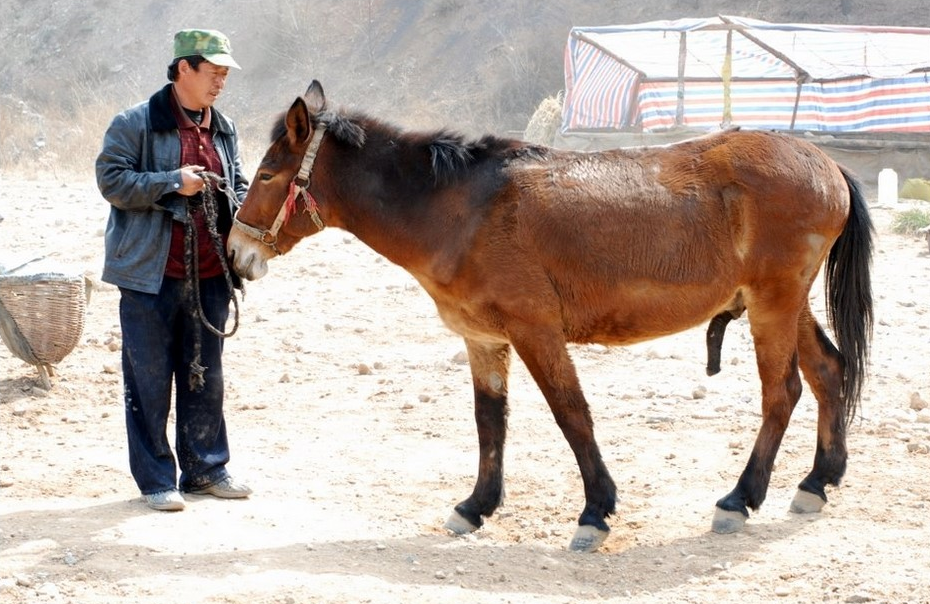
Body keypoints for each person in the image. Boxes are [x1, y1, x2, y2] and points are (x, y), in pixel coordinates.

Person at [95, 29, 251, 511]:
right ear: (184, 67)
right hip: (148, 275)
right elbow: (112, 180)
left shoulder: (223, 127)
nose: (221, 82)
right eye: (214, 72)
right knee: (148, 379)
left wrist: (245, 215)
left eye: (226, 74)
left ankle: (205, 470)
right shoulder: (134, 122)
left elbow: (240, 185)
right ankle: (157, 480)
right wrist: (172, 182)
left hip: (211, 274)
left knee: (206, 376)